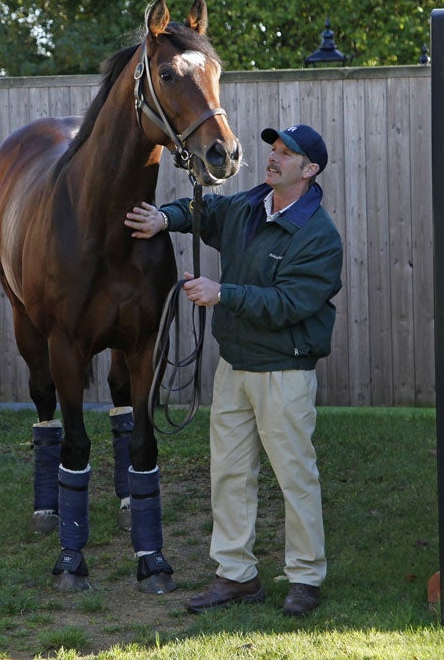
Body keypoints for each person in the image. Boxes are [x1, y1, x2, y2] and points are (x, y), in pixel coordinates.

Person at [124, 123, 343, 618]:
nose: (274, 158)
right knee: (228, 475)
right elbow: (205, 210)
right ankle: (236, 575)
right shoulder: (248, 206)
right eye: (274, 149)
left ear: (309, 171)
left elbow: (291, 303)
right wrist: (165, 218)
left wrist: (223, 294)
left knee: (295, 477)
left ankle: (306, 577)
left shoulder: (319, 237)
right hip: (234, 367)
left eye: (287, 155)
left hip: (283, 373)